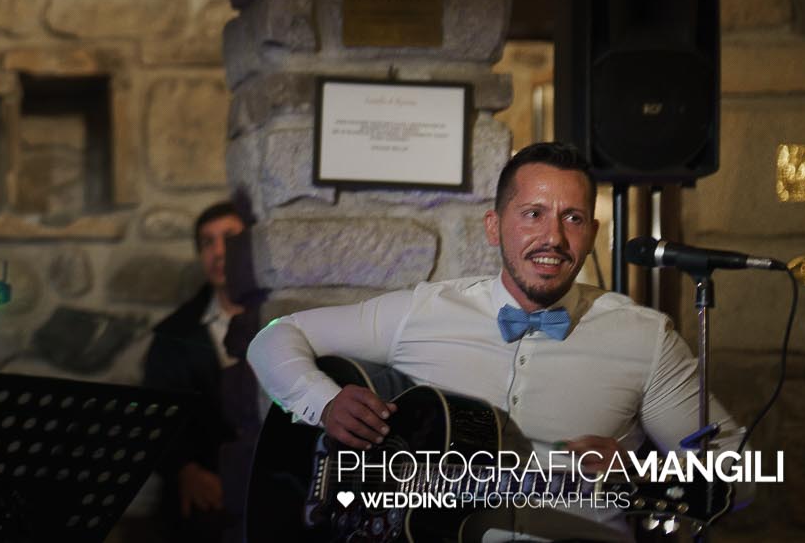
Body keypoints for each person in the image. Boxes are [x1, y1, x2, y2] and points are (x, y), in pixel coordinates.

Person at [246, 141, 746, 543]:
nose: (553, 236)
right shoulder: (423, 311)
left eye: (572, 218)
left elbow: (738, 472)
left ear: (592, 233)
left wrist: (641, 473)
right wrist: (325, 403)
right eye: (532, 213)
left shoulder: (646, 338)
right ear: (493, 226)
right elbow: (276, 337)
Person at [142, 201, 248, 542]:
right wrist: (185, 469)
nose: (218, 252)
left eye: (229, 238)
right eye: (207, 242)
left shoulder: (283, 315)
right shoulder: (174, 333)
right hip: (207, 491)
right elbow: (155, 416)